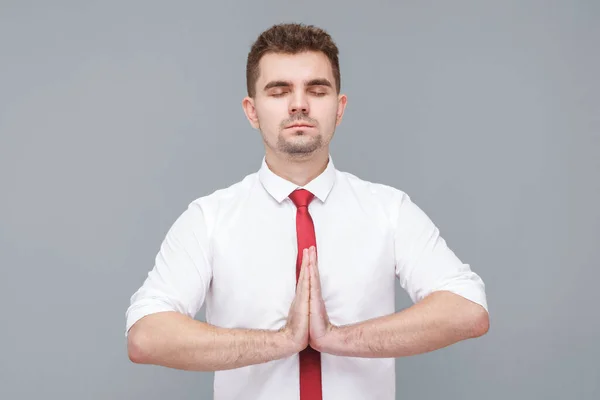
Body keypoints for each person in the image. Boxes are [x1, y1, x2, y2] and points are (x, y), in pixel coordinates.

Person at [125, 23, 490, 400]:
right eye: (279, 91)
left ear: (340, 107)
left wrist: (336, 338)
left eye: (317, 90)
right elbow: (146, 335)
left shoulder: (389, 210)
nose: (299, 103)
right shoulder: (209, 219)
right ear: (251, 111)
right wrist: (282, 341)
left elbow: (468, 308)